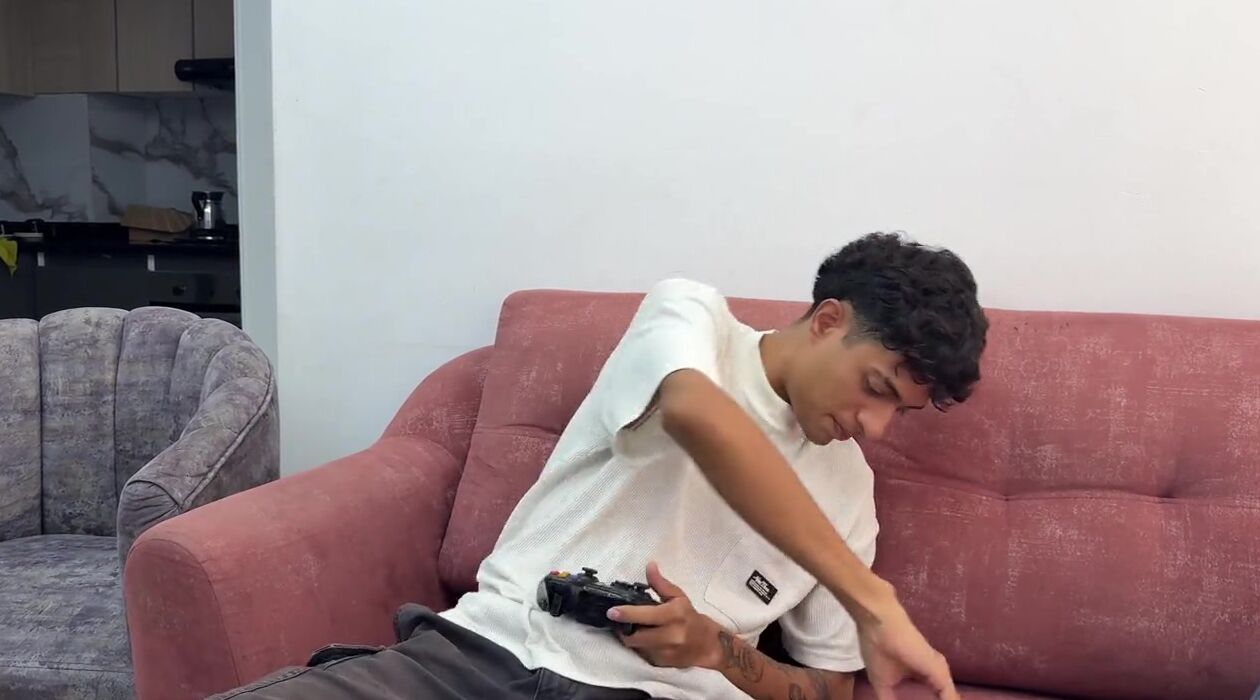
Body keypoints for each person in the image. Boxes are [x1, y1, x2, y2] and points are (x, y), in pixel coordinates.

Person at [215, 232, 989, 700]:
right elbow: (696, 416)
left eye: (902, 413)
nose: (875, 428)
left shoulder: (850, 491)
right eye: (876, 388)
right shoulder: (691, 321)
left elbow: (826, 690)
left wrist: (716, 649)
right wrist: (874, 602)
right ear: (827, 321)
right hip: (486, 656)